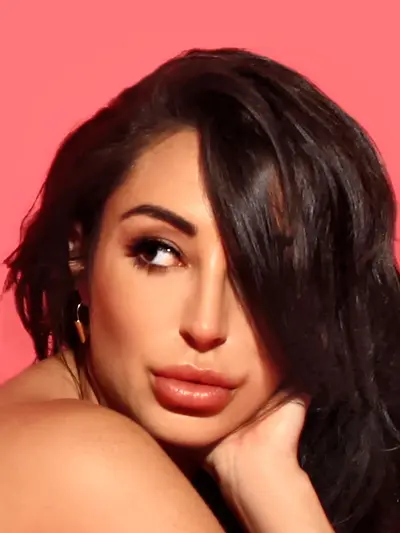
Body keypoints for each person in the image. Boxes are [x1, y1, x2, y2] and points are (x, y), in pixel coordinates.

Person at [0, 48, 399, 533]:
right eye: (158, 252)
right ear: (80, 256)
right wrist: (283, 502)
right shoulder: (85, 460)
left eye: (263, 270)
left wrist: (262, 472)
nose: (206, 325)